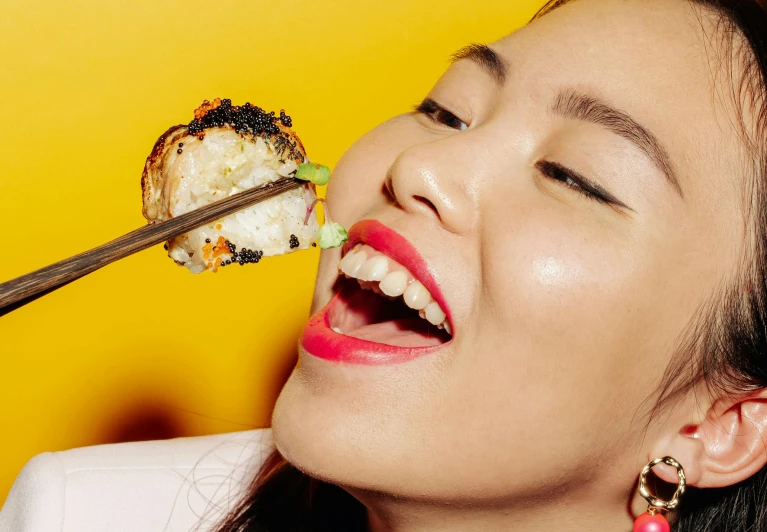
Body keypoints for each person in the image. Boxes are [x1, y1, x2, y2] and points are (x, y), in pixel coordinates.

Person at [3, 0, 767, 530]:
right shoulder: (78, 514)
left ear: (722, 425)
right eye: (445, 110)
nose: (423, 165)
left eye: (575, 175)